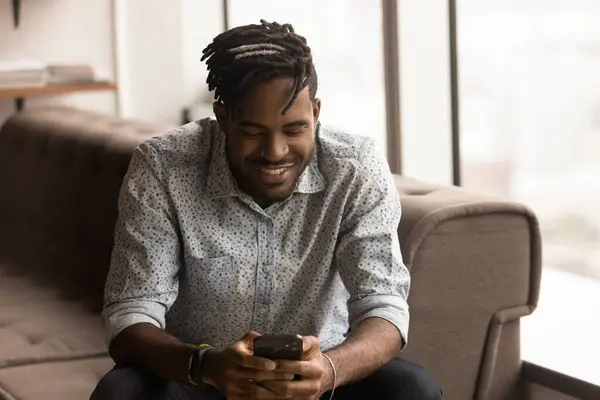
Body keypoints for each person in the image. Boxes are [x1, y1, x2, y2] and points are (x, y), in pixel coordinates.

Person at [91, 20, 442, 400]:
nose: (275, 152)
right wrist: (209, 366)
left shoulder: (355, 167)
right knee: (121, 391)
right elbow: (131, 314)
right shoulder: (164, 166)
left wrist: (328, 370)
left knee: (413, 389)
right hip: (202, 379)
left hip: (320, 382)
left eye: (294, 129)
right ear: (223, 118)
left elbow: (384, 304)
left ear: (316, 112)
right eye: (253, 131)